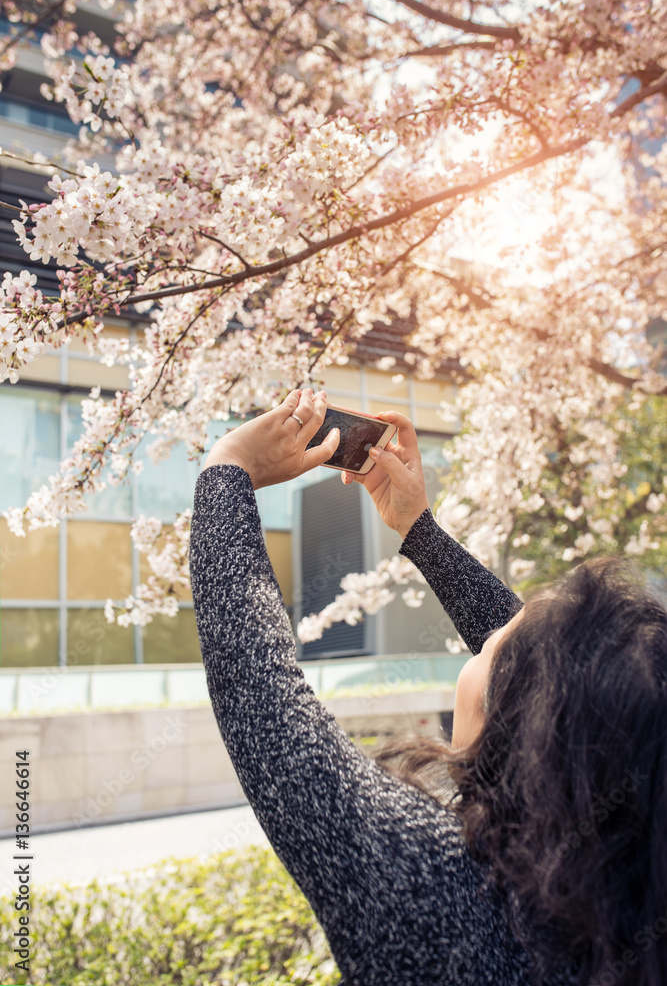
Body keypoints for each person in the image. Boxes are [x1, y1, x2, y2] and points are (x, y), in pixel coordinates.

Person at [189, 386, 667, 986]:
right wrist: (418, 529)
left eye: (496, 644)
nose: (495, 630)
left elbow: (260, 697)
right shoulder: (626, 891)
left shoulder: (442, 897)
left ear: (520, 739)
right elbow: (543, 673)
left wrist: (227, 471)